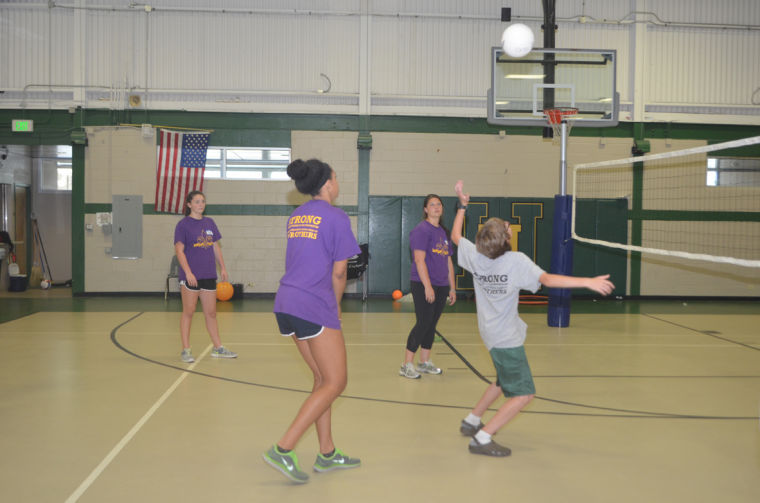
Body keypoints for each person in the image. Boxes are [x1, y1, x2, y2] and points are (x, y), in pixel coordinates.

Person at [450, 180, 614, 456]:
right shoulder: (516, 262)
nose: (508, 226)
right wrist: (587, 281)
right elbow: (547, 279)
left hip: (489, 333)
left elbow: (456, 235)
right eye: (506, 227)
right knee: (524, 394)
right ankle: (482, 438)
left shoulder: (475, 255)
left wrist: (462, 206)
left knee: (502, 380)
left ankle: (472, 420)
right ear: (506, 239)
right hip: (506, 339)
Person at [263, 158, 361, 484]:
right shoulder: (336, 217)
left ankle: (327, 453)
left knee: (321, 379)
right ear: (328, 183)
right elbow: (339, 272)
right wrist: (334, 307)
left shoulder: (296, 216)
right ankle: (284, 447)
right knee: (336, 383)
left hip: (286, 301)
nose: (338, 181)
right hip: (313, 304)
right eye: (336, 177)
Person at [174, 190, 237, 363]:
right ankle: (186, 350)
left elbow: (215, 247)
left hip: (208, 274)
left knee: (211, 313)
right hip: (191, 276)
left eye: (202, 201)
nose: (200, 204)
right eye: (197, 201)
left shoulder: (210, 222)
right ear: (189, 204)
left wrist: (222, 267)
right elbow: (179, 251)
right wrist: (188, 272)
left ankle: (218, 348)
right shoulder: (183, 225)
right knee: (189, 312)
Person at [399, 194, 457, 379]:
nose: (436, 207)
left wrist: (452, 287)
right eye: (432, 204)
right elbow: (419, 260)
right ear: (425, 209)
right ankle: (406, 364)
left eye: (439, 204)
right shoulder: (421, 230)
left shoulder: (444, 232)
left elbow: (448, 261)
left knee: (431, 324)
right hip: (423, 284)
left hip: (441, 284)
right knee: (423, 322)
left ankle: (424, 362)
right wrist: (427, 286)